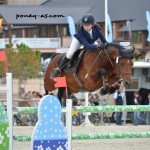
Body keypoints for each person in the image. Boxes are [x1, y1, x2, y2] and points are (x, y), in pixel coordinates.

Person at [50, 13, 108, 79]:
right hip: (78, 41)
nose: (85, 27)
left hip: (90, 42)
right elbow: (86, 45)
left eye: (87, 25)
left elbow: (105, 42)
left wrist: (104, 45)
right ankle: (59, 69)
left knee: (99, 51)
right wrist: (98, 46)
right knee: (70, 53)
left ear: (92, 24)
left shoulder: (97, 29)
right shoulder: (81, 31)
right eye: (84, 25)